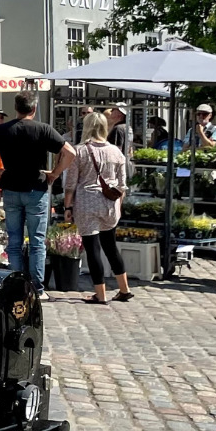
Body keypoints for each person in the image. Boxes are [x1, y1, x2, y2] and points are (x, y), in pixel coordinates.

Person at [0, 93, 75, 295]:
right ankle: (37, 288)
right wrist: (54, 173)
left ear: (16, 108)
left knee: (14, 241)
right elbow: (70, 153)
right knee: (37, 241)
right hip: (36, 188)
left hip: (10, 187)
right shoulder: (43, 129)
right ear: (34, 108)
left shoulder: (3, 130)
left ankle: (15, 284)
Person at [65, 112, 132, 304]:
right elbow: (122, 184)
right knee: (111, 246)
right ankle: (124, 289)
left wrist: (67, 206)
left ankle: (100, 294)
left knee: (93, 248)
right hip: (110, 204)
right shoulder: (116, 152)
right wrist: (118, 204)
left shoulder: (80, 151)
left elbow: (71, 183)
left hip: (87, 202)